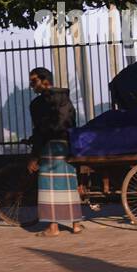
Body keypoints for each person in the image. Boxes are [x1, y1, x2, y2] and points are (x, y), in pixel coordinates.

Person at [26, 67, 83, 236]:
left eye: (33, 81)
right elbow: (71, 122)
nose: (31, 85)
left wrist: (35, 155)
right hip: (66, 145)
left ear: (44, 81)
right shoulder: (65, 98)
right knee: (69, 186)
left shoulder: (38, 104)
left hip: (49, 148)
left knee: (49, 188)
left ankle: (53, 227)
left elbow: (41, 131)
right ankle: (76, 225)